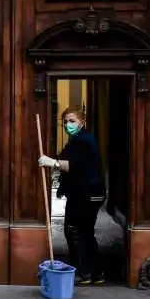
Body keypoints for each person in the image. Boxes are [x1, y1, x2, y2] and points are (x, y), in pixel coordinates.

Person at [38, 106, 106, 285]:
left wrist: (51, 162)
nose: (68, 124)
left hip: (86, 193)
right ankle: (95, 273)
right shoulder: (79, 139)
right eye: (65, 121)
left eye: (72, 121)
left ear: (82, 122)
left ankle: (84, 273)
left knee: (74, 231)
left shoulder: (83, 141)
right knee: (85, 232)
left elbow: (73, 165)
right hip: (86, 192)